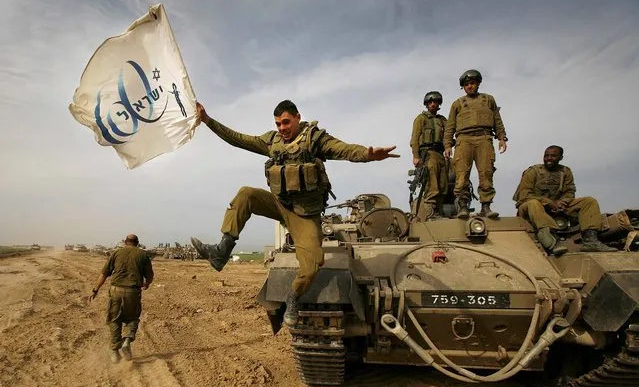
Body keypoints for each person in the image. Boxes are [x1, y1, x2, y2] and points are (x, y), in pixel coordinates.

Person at [190, 100, 399, 326]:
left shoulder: (314, 140)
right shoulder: (272, 141)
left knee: (310, 268)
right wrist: (208, 121)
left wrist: (368, 153)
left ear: (298, 117)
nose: (282, 128)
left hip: (305, 216)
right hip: (279, 204)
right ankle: (222, 251)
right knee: (246, 194)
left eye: (286, 122)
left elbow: (344, 149)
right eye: (278, 124)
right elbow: (239, 139)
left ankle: (294, 296)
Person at [513, 145, 617, 254]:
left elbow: (569, 191)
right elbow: (523, 195)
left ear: (560, 157)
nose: (549, 158)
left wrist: (564, 202)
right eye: (546, 155)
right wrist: (547, 202)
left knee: (589, 201)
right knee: (533, 203)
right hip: (530, 209)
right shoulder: (533, 171)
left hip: (556, 207)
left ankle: (590, 240)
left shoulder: (565, 172)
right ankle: (552, 241)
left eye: (553, 156)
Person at [444, 69, 507, 219]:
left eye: (472, 83)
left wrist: (502, 138)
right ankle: (463, 206)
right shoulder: (457, 104)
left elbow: (497, 120)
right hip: (463, 140)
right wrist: (447, 145)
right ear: (463, 87)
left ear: (478, 84)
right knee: (461, 175)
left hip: (484, 138)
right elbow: (450, 126)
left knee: (486, 173)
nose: (470, 86)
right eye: (466, 84)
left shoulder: (488, 100)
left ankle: (486, 206)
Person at [89, 234, 154, 363]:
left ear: (125, 242)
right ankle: (127, 341)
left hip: (116, 291)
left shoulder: (116, 253)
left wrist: (95, 289)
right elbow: (150, 276)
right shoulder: (143, 255)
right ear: (137, 243)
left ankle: (114, 351)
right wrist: (146, 284)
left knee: (114, 320)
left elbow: (104, 274)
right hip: (133, 292)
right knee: (133, 319)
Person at [409, 91, 448, 219]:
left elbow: (448, 136)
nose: (432, 104)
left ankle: (439, 211)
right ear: (426, 104)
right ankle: (431, 213)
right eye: (430, 102)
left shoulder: (442, 120)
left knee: (443, 184)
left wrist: (448, 147)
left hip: (440, 154)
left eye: (435, 102)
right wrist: (416, 156)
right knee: (432, 184)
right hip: (427, 154)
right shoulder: (421, 119)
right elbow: (414, 139)